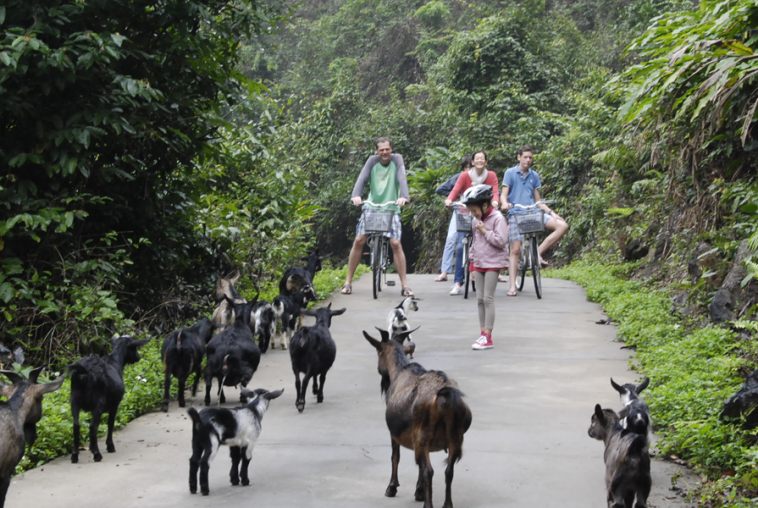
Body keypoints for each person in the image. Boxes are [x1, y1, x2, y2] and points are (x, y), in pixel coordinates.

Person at [341, 137, 413, 297]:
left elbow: (402, 178)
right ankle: (348, 282)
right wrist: (356, 195)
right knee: (359, 240)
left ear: (391, 149)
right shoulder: (372, 161)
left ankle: (405, 285)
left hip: (391, 206)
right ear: (377, 151)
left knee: (395, 243)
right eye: (381, 150)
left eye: (387, 149)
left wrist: (404, 196)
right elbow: (362, 178)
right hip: (372, 206)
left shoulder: (397, 160)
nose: (385, 152)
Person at [500, 145, 569, 297]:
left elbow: (538, 201)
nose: (528, 160)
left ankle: (536, 252)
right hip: (516, 213)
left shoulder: (534, 175)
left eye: (530, 157)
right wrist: (504, 204)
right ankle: (512, 286)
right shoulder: (510, 173)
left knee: (562, 226)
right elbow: (503, 195)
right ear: (519, 157)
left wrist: (553, 213)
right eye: (525, 157)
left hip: (533, 212)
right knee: (515, 250)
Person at [444, 150, 499, 295]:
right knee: (461, 246)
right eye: (477, 159)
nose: (480, 161)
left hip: (483, 215)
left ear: (486, 162)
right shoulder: (465, 176)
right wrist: (449, 200)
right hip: (467, 215)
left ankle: (485, 275)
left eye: (483, 159)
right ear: (473, 162)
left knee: (486, 245)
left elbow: (495, 191)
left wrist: (495, 201)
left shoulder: (491, 175)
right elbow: (456, 190)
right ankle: (457, 282)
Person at [461, 184, 508, 350]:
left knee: (488, 298)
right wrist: (472, 264)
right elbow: (474, 244)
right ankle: (482, 333)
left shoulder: (498, 219)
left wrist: (485, 230)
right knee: (479, 299)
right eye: (471, 211)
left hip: (493, 263)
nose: (473, 214)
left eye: (474, 210)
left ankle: (488, 336)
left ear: (485, 205)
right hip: (480, 262)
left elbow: (501, 241)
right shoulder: (476, 221)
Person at [434, 156, 471, 282]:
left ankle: (494, 271)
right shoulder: (458, 178)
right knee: (451, 239)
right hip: (460, 211)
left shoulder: (479, 177)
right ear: (465, 168)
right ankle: (444, 271)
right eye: (469, 167)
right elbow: (440, 189)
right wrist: (452, 199)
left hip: (476, 212)